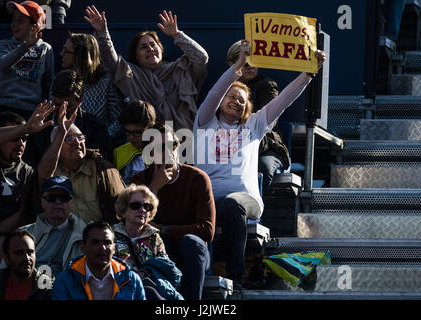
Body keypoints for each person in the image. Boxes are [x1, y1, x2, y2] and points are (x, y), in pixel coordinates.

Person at [193, 40, 326, 289]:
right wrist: (238, 66)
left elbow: (283, 101)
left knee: (234, 204)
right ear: (221, 100)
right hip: (209, 200)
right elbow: (213, 93)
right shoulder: (204, 123)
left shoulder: (253, 126)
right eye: (231, 96)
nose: (237, 101)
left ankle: (236, 274)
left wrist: (308, 74)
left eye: (242, 99)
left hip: (246, 201)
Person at [85, 6, 209, 131]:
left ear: (161, 49)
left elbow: (201, 58)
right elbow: (111, 61)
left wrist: (176, 35)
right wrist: (102, 33)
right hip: (146, 142)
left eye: (153, 44)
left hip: (184, 138)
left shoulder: (181, 69)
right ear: (136, 56)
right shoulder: (131, 75)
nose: (150, 49)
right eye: (143, 47)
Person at [130, 122, 215, 300]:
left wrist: (163, 229)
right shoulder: (139, 180)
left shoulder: (197, 178)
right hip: (156, 251)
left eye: (173, 145)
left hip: (192, 253)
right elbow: (133, 224)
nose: (169, 151)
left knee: (189, 242)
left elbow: (207, 230)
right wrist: (153, 188)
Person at [0, 102, 54, 272]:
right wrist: (25, 127)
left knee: (1, 245)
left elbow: (23, 213)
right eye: (15, 138)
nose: (21, 143)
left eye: (25, 138)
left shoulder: (27, 172)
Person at [20, 102, 125, 226]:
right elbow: (42, 177)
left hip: (99, 239)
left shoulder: (102, 169)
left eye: (80, 137)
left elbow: (123, 207)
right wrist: (61, 133)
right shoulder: (50, 169)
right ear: (56, 145)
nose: (77, 142)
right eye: (69, 138)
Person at [227, 41, 290, 193]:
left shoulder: (267, 85)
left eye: (253, 60)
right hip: (231, 145)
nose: (249, 65)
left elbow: (270, 120)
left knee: (262, 168)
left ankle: (253, 212)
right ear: (232, 63)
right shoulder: (225, 87)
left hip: (265, 146)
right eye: (244, 60)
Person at [23, 69, 113, 167]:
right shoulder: (39, 126)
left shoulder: (95, 128)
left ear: (80, 101)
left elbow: (104, 166)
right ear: (52, 97)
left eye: (68, 106)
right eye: (58, 105)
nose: (63, 111)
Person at [52, 221, 145, 300]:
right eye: (95, 242)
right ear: (83, 248)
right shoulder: (65, 281)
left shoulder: (131, 279)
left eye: (107, 242)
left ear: (114, 249)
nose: (102, 248)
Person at [0, 1, 54, 120]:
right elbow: (1, 65)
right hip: (5, 107)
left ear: (35, 27)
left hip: (31, 111)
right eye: (13, 19)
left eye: (20, 21)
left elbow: (49, 83)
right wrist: (25, 46)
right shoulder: (5, 44)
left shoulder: (45, 48)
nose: (14, 24)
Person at [18, 176, 86, 276]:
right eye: (51, 198)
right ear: (42, 202)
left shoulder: (85, 236)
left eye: (64, 198)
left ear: (72, 203)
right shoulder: (22, 234)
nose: (58, 202)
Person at [61, 33, 123, 140]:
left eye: (66, 51)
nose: (61, 53)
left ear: (80, 56)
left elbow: (119, 121)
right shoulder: (60, 81)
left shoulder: (106, 84)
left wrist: (99, 139)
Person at [0, 229, 53, 300]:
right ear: (7, 259)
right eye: (19, 253)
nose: (27, 258)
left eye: (30, 252)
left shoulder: (46, 285)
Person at [113, 100, 156, 184]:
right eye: (127, 132)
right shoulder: (118, 153)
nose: (131, 137)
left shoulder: (161, 152)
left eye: (137, 132)